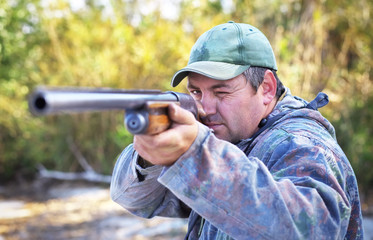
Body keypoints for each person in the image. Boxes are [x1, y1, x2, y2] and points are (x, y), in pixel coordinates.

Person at [110, 21, 363, 239]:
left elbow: (311, 231)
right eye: (196, 91)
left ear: (266, 88)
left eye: (221, 92)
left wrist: (196, 156)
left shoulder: (302, 143)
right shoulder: (232, 138)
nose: (205, 108)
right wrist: (149, 156)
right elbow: (135, 200)